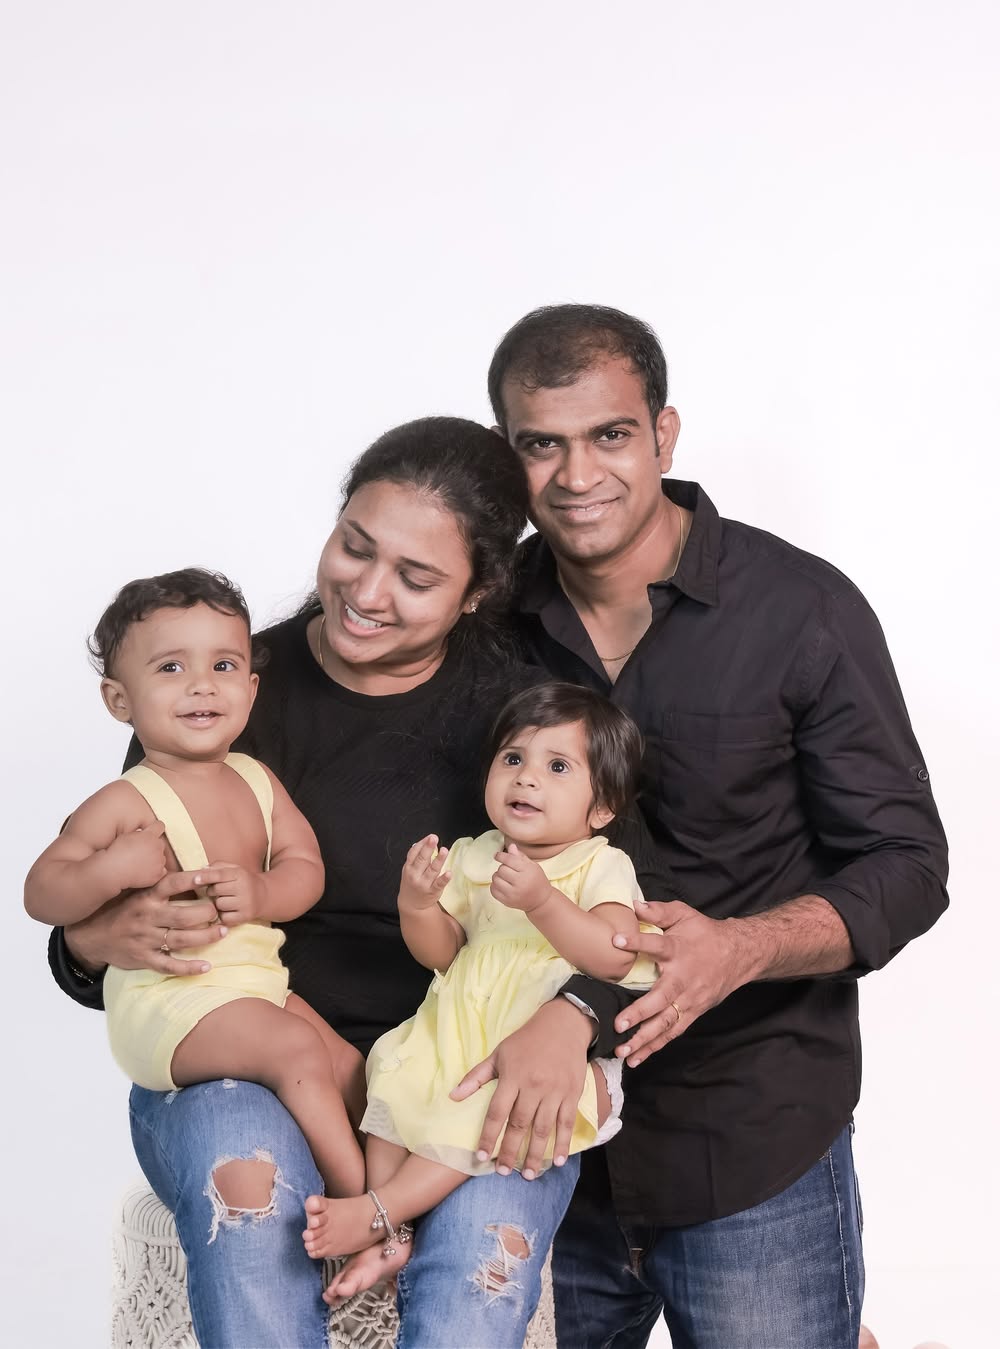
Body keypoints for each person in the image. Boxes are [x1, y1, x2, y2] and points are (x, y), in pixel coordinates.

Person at [46, 416, 681, 1347]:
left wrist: (573, 1016)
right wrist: (94, 940)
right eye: (354, 545)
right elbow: (85, 936)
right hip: (247, 1068)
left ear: (476, 593)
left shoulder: (525, 719)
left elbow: (638, 915)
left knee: (480, 1273)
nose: (367, 592)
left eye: (416, 578)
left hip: (467, 1075)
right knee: (251, 1213)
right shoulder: (224, 686)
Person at [478, 303, 949, 1348]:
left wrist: (742, 947)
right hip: (532, 1153)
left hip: (749, 1136)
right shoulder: (481, 616)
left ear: (664, 433)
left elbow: (909, 862)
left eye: (609, 434)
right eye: (540, 444)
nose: (576, 474)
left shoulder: (801, 609)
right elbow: (317, 681)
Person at [25, 568, 365, 1197]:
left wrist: (262, 893)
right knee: (296, 1048)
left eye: (224, 666)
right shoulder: (125, 801)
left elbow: (305, 869)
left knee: (350, 1066)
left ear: (252, 688)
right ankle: (361, 1208)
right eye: (171, 668)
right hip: (169, 1001)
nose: (202, 684)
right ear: (119, 701)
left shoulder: (257, 779)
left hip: (256, 987)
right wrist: (109, 870)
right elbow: (41, 892)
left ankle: (389, 1190)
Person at [302, 681, 660, 1274]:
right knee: (393, 1077)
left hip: (533, 1048)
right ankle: (391, 1235)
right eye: (513, 758)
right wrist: (418, 905)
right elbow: (443, 954)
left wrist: (543, 901)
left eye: (557, 767)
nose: (527, 778)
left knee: (479, 1108)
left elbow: (614, 955)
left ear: (602, 808)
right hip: (458, 1027)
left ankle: (379, 1212)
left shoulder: (600, 863)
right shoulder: (475, 853)